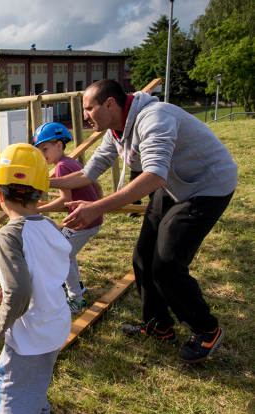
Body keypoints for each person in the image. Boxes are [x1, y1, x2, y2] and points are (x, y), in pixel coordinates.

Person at [50, 79, 238, 363]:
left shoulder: (155, 118)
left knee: (166, 264)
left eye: (89, 108)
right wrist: (41, 182)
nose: (85, 115)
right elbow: (87, 174)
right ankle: (159, 326)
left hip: (207, 187)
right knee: (142, 257)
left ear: (110, 103)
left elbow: (153, 177)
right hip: (174, 184)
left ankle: (206, 329)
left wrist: (96, 207)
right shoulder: (115, 131)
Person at [0, 143, 71, 414]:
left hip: (30, 334)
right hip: (55, 324)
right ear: (42, 191)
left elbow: (19, 293)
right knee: (35, 380)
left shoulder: (7, 235)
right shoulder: (49, 225)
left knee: (9, 393)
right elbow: (53, 265)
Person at [34, 122, 103, 314]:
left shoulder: (62, 167)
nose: (42, 154)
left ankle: (76, 299)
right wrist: (99, 208)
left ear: (58, 145)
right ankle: (76, 286)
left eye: (44, 149)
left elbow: (65, 200)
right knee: (65, 252)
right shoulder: (72, 162)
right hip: (89, 218)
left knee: (61, 255)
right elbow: (97, 187)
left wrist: (38, 211)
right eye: (39, 151)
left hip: (82, 221)